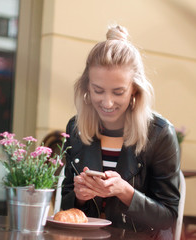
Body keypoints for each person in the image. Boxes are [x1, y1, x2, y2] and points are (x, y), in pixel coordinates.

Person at [60, 25, 180, 238]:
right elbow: (65, 204)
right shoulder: (76, 128)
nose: (107, 102)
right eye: (98, 90)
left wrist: (126, 192)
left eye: (118, 92)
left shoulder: (160, 133)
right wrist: (79, 197)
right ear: (87, 86)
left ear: (134, 88)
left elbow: (168, 216)